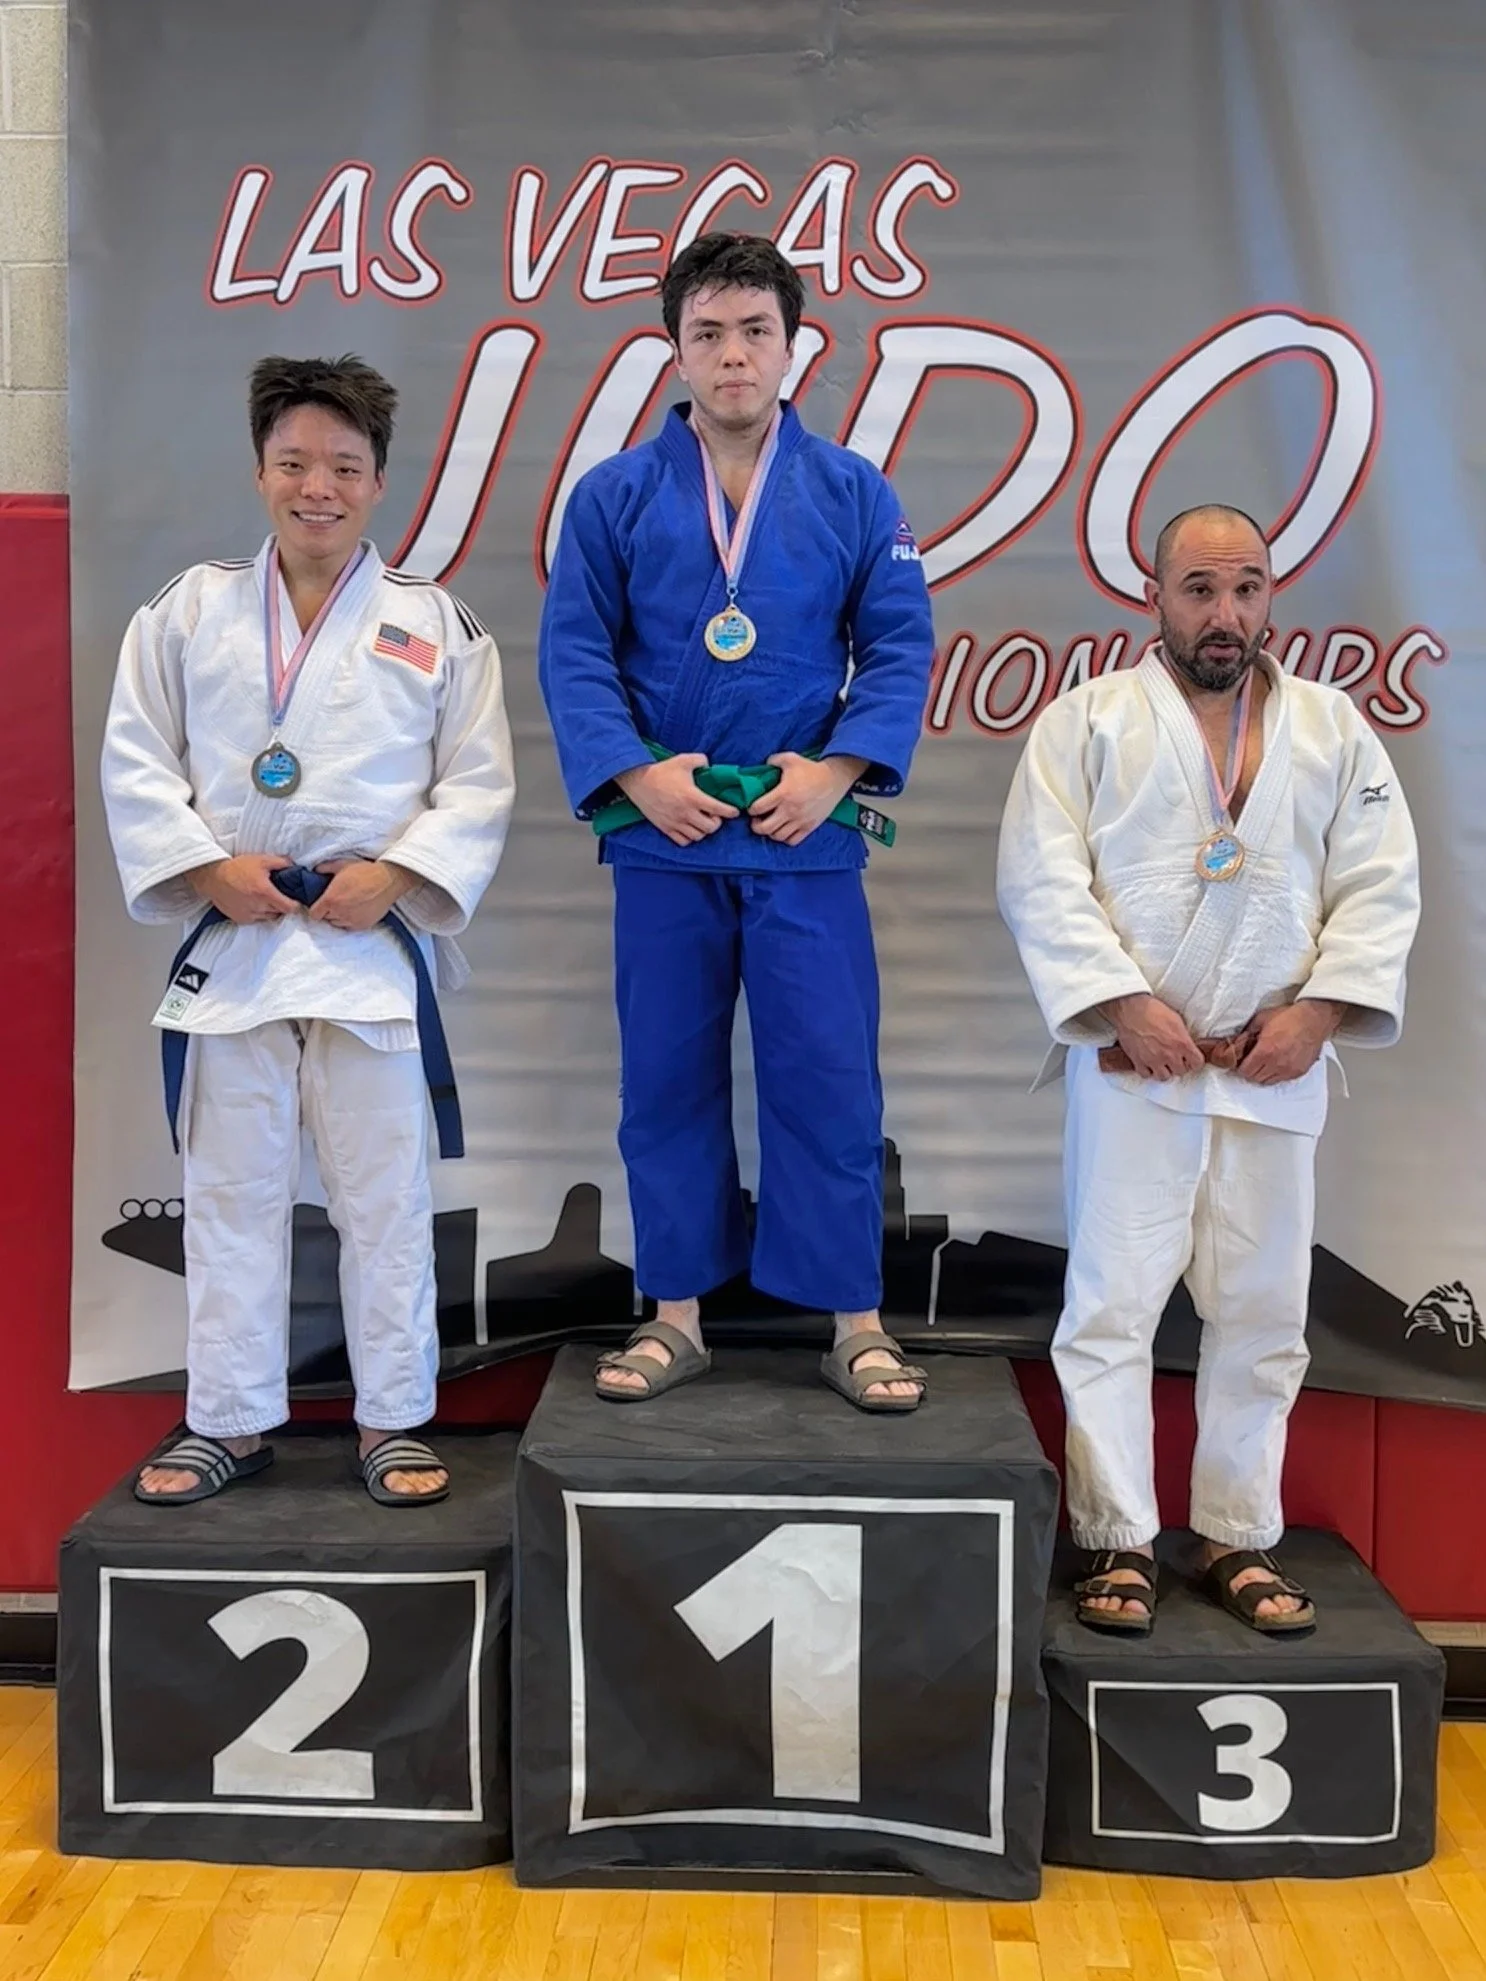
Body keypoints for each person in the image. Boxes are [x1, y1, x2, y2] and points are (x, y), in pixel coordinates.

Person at [996, 505, 1419, 1632]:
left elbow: (1379, 884)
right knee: (1110, 1308)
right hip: (1137, 1066)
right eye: (1198, 589)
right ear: (1153, 598)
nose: (1224, 613)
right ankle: (1116, 1538)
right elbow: (1041, 879)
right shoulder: (1085, 723)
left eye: (1245, 588)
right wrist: (1121, 1004)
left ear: (1271, 593)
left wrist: (1321, 1011)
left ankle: (1236, 1532)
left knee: (1266, 1314)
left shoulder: (1332, 731)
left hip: (1273, 1068)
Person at [102, 354, 515, 1505]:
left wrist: (396, 873)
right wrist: (204, 865)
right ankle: (226, 1419)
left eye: (342, 466)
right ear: (260, 472)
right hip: (236, 946)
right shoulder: (186, 611)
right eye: (294, 463)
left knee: (382, 1199)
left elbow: (477, 781)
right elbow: (136, 757)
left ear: (379, 482)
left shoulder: (435, 623)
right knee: (230, 1197)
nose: (315, 487)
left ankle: (393, 1419)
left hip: (366, 953)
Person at [539, 233, 935, 1409]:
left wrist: (840, 769)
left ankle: (855, 1320)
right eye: (707, 332)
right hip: (664, 836)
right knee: (664, 1076)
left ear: (794, 346)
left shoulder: (857, 492)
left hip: (801, 834)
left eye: (754, 330)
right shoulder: (612, 495)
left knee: (826, 1074)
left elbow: (901, 647)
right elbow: (574, 657)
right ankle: (675, 1314)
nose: (732, 354)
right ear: (673, 348)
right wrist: (635, 779)